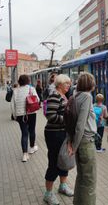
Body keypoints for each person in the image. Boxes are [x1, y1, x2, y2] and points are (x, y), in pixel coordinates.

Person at [43, 74, 74, 205]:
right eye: (66, 83)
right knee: (55, 162)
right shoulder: (54, 95)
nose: (69, 86)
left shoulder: (63, 96)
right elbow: (51, 116)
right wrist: (67, 121)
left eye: (69, 84)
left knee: (64, 159)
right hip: (54, 134)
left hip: (62, 133)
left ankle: (62, 186)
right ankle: (48, 194)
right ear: (60, 84)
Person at [68, 72, 97, 205]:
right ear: (90, 84)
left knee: (81, 177)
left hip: (79, 141)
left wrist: (73, 142)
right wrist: (74, 146)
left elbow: (71, 122)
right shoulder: (87, 97)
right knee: (90, 180)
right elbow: (80, 124)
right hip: (86, 142)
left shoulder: (75, 95)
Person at [11, 75, 39, 162]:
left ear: (19, 81)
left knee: (24, 133)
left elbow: (12, 104)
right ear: (28, 81)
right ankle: (32, 147)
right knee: (32, 130)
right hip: (31, 113)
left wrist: (15, 115)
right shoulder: (31, 89)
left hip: (20, 115)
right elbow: (37, 99)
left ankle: (25, 155)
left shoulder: (15, 91)